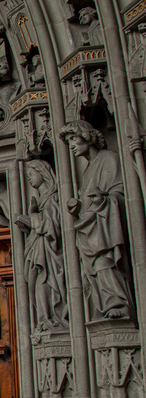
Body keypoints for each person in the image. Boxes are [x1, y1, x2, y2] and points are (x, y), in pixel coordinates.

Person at [60, 120, 132, 319]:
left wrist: (103, 201)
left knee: (105, 264)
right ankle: (107, 307)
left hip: (104, 228)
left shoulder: (109, 159)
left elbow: (122, 193)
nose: (72, 145)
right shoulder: (88, 169)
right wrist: (78, 208)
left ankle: (119, 304)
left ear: (87, 136)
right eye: (69, 141)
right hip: (89, 231)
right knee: (94, 272)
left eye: (73, 139)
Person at [14, 162, 68, 336]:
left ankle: (52, 320)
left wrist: (33, 215)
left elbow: (51, 228)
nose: (29, 177)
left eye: (31, 173)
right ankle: (46, 319)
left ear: (43, 172)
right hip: (38, 250)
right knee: (38, 283)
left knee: (43, 282)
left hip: (48, 255)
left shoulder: (53, 199)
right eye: (27, 174)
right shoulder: (43, 201)